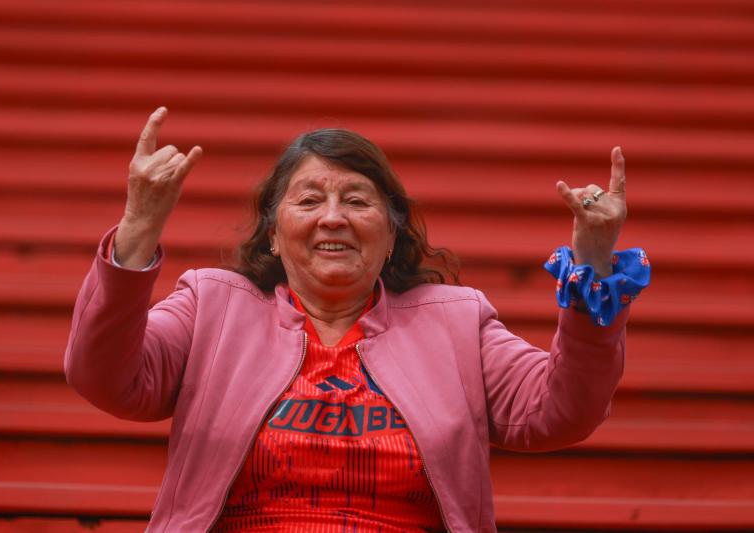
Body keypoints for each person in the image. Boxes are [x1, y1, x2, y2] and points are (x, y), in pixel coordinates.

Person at [64, 107, 650, 532]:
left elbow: (561, 411)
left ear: (392, 231)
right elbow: (103, 376)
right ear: (273, 231)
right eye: (309, 200)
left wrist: (594, 265)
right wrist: (139, 224)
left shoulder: (456, 323)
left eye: (358, 200)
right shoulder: (211, 304)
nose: (333, 218)